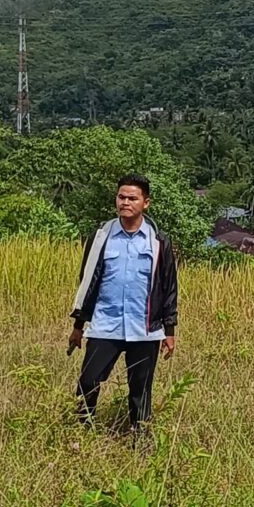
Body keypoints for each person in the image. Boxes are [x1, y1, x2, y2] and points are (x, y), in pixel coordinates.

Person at [68, 176, 179, 435]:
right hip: (105, 325)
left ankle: (140, 439)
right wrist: (78, 325)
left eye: (132, 198)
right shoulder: (100, 237)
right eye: (121, 197)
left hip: (144, 328)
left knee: (140, 388)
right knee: (88, 381)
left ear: (146, 202)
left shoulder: (158, 240)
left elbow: (168, 286)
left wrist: (170, 330)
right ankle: (81, 435)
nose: (125, 202)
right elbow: (87, 281)